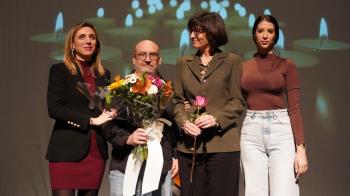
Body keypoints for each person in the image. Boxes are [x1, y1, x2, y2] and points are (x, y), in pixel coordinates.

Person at [173, 11, 245, 196]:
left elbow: (238, 101)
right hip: (190, 146)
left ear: (212, 31)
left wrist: (217, 119)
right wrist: (184, 123)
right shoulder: (184, 62)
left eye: (197, 31)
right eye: (191, 31)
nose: (191, 36)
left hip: (223, 145)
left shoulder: (231, 61)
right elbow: (178, 101)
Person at [240, 15, 308, 196]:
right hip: (251, 131)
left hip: (281, 131)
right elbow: (234, 101)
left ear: (276, 36)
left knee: (285, 191)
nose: (265, 35)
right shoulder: (243, 67)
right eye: (260, 31)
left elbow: (294, 107)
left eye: (270, 31)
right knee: (254, 192)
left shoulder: (287, 65)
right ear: (254, 34)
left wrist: (300, 149)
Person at [46, 22, 116, 196]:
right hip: (66, 150)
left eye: (92, 37)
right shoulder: (59, 70)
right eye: (82, 37)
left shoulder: (104, 74)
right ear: (72, 44)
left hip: (95, 152)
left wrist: (112, 111)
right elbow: (54, 108)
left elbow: (103, 106)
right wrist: (91, 120)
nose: (88, 41)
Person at [103, 40, 179, 196]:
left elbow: (175, 129)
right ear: (133, 59)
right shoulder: (118, 89)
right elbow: (107, 124)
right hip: (125, 166)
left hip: (161, 170)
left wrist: (175, 156)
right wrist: (128, 138)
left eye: (153, 55)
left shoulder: (169, 92)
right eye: (142, 54)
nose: (148, 59)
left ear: (160, 60)